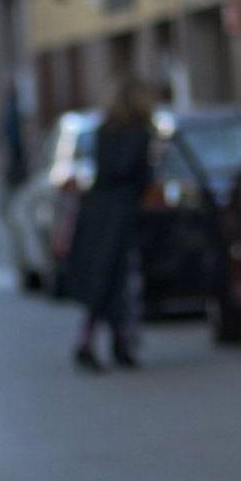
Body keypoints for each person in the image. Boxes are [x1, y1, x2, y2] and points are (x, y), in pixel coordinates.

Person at [65, 78, 154, 372]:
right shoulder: (140, 133)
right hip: (120, 213)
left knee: (107, 278)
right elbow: (135, 173)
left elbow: (103, 168)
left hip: (97, 210)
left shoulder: (104, 130)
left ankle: (109, 343)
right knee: (115, 279)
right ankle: (102, 344)